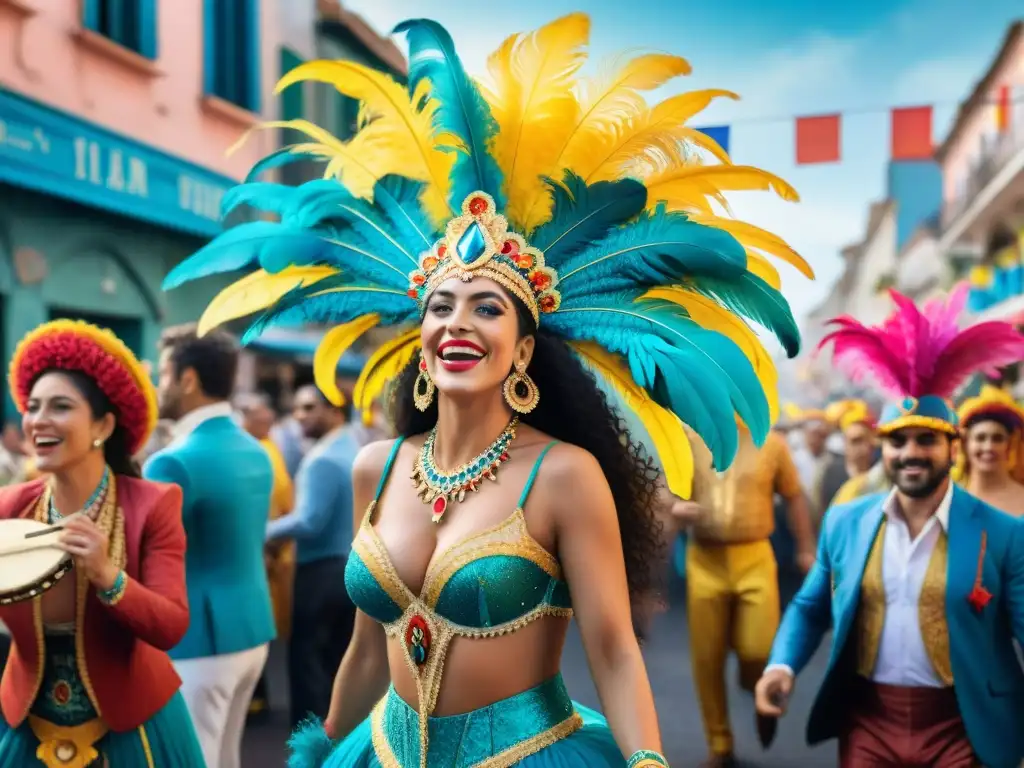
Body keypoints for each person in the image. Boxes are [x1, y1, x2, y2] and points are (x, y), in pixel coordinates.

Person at [165, 12, 810, 768]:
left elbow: (611, 648)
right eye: (440, 306)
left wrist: (647, 762)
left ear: (524, 349)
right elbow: (366, 654)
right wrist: (322, 749)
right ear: (421, 336)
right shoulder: (378, 465)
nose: (456, 323)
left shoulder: (565, 475)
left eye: (487, 307)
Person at [755, 286, 1024, 768]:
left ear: (952, 449)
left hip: (962, 724)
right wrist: (781, 664)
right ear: (884, 448)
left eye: (927, 439)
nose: (911, 453)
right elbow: (810, 606)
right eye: (898, 441)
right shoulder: (846, 521)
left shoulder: (1004, 533)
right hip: (868, 721)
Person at [0, 319, 205, 766]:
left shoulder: (153, 504)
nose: (37, 421)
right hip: (27, 725)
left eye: (59, 406)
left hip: (133, 731)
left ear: (104, 424)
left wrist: (107, 574)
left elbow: (170, 626)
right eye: (32, 406)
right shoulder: (9, 507)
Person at [144, 327, 276, 768]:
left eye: (164, 373)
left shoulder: (173, 460)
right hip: (252, 629)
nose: (159, 385)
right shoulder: (256, 450)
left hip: (198, 640)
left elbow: (142, 551)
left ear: (188, 380)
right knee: (225, 758)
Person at [678, 423, 814, 767]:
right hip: (705, 559)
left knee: (758, 649)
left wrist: (806, 547)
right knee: (707, 657)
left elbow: (794, 495)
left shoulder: (771, 443)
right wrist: (672, 507)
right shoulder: (687, 439)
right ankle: (719, 744)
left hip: (754, 556)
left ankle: (759, 689)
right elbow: (661, 490)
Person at [265, 384, 358, 730]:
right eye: (298, 408)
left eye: (308, 407)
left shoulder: (325, 458)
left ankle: (311, 753)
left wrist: (263, 532)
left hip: (320, 574)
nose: (299, 416)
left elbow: (309, 521)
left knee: (308, 670)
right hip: (347, 570)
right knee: (335, 667)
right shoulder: (351, 448)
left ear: (335, 411)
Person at [239, 392, 297, 716]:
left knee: (264, 624)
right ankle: (254, 697)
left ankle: (258, 698)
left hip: (271, 550)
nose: (266, 422)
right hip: (257, 550)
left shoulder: (270, 447)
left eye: (266, 417)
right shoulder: (250, 452)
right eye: (259, 417)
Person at [953, 384, 1024, 516]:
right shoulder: (947, 500)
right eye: (980, 438)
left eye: (997, 439)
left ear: (1009, 444)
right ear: (965, 443)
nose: (989, 447)